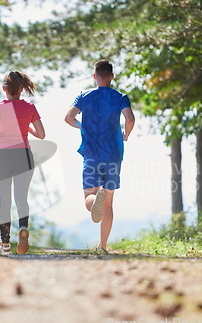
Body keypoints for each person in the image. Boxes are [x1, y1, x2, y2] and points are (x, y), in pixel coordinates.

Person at [64, 60, 135, 253]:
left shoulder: (84, 96)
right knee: (109, 203)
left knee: (89, 196)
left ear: (94, 76)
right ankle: (102, 246)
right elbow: (130, 119)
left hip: (91, 154)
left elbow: (68, 117)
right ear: (112, 76)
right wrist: (126, 134)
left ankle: (95, 200)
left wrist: (82, 126)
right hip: (113, 154)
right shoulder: (120, 97)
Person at [0, 71, 46, 256]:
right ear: (22, 89)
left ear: (4, 89)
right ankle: (23, 226)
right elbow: (42, 134)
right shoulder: (29, 107)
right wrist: (25, 124)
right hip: (24, 155)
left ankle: (5, 245)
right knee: (21, 197)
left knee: (4, 200)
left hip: (3, 156)